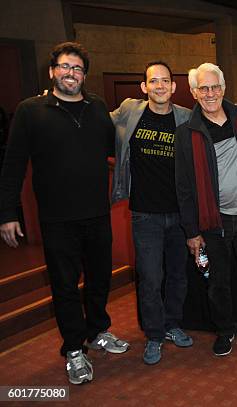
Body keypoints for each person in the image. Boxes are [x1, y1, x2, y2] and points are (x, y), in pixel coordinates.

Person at [0, 42, 128, 385]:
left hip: (97, 214)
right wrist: (6, 213)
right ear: (52, 70)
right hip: (57, 220)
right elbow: (12, 166)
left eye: (77, 69)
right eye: (64, 67)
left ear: (84, 75)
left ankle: (98, 331)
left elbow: (109, 149)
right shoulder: (30, 110)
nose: (71, 73)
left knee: (101, 279)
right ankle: (74, 348)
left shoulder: (97, 106)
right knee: (65, 286)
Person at [175, 63, 237, 356]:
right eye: (203, 88)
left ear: (224, 88)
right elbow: (183, 187)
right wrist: (191, 232)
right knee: (218, 284)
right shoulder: (186, 133)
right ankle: (225, 331)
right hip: (212, 224)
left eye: (215, 87)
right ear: (194, 92)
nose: (210, 93)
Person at [110, 61, 192, 365]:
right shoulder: (130, 111)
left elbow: (220, 112)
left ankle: (172, 325)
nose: (159, 86)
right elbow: (94, 121)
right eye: (153, 81)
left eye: (165, 81)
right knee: (150, 278)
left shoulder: (185, 116)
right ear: (144, 87)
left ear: (173, 86)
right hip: (145, 214)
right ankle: (154, 335)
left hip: (180, 214)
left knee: (177, 276)